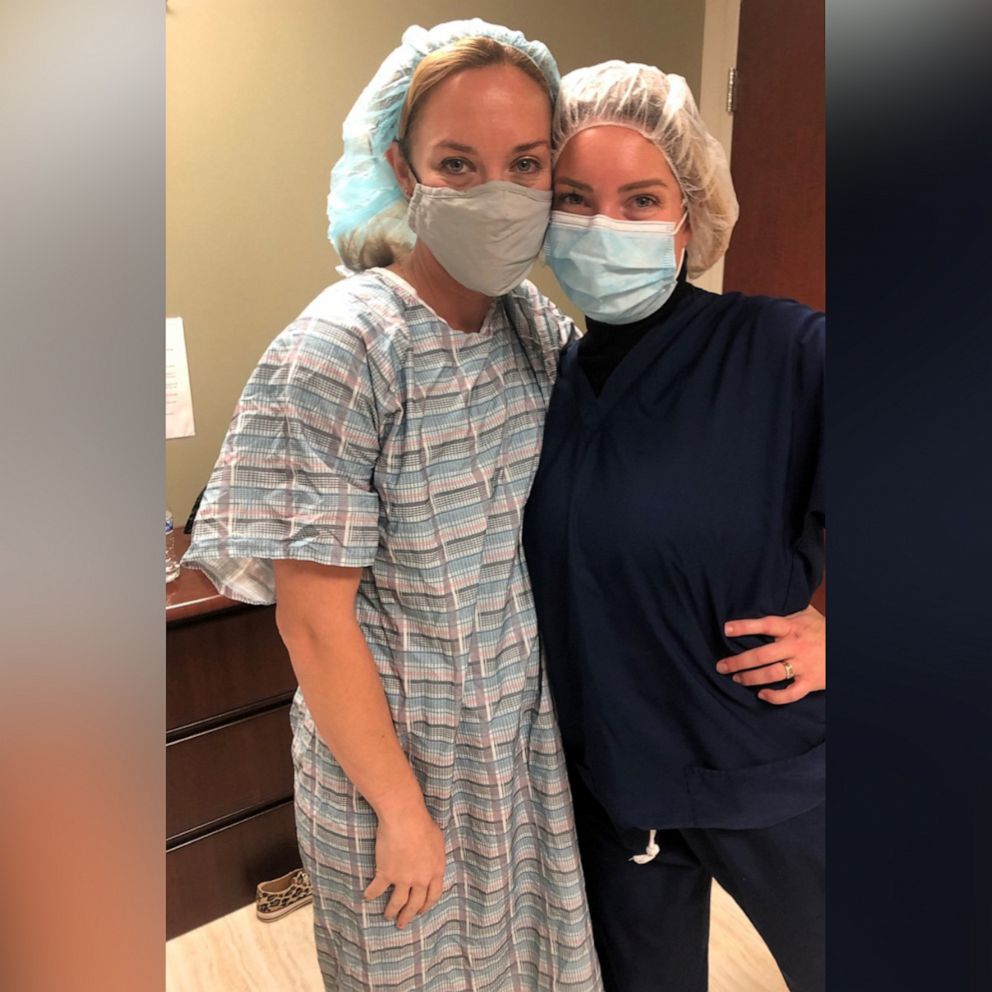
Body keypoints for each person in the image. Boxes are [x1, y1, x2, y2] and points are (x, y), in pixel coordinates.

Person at [182, 20, 602, 992]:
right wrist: (402, 812)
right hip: (395, 773)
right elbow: (314, 623)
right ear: (399, 168)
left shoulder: (529, 324)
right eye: (457, 163)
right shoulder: (344, 350)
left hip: (516, 756)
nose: (496, 193)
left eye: (525, 163)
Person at [522, 61, 825, 992]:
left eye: (641, 198)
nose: (603, 226)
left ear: (690, 217)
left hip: (761, 765)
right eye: (574, 199)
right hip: (616, 787)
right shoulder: (549, 379)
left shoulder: (780, 350)